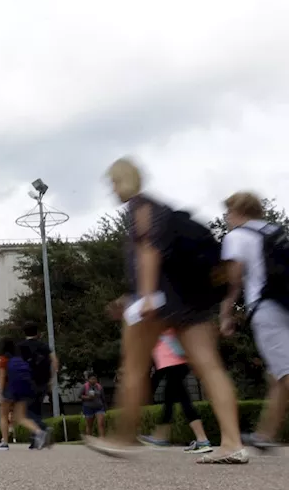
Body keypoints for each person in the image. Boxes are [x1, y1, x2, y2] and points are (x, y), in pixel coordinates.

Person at [88, 158, 246, 463]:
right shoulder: (163, 209)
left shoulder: (140, 207)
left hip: (158, 302)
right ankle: (233, 443)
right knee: (210, 368)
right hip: (189, 302)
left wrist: (144, 296)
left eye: (113, 182)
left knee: (133, 369)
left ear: (123, 181)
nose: (112, 189)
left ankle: (123, 438)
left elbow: (148, 250)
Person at [219, 192, 289, 452]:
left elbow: (234, 280)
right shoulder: (275, 230)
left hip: (267, 309)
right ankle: (264, 434)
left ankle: (264, 435)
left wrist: (226, 313)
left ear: (238, 210)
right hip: (285, 303)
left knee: (285, 374)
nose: (226, 217)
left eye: (228, 211)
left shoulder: (237, 236)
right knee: (277, 375)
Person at [138, 330, 213, 453]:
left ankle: (202, 440)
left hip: (174, 361)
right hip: (172, 361)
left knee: (182, 399)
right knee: (170, 399)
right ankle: (162, 437)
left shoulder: (163, 317)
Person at [0, 339, 48, 450]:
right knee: (21, 417)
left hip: (8, 390)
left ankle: (4, 443)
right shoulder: (19, 359)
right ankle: (38, 431)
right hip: (21, 389)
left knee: (4, 416)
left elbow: (2, 377)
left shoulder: (2, 360)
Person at [17, 321, 57, 446]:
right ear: (37, 332)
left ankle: (42, 428)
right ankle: (35, 440)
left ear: (24, 333)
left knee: (27, 412)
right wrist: (52, 379)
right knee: (37, 409)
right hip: (43, 382)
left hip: (28, 383)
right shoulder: (44, 346)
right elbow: (55, 362)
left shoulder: (20, 347)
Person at [80, 374, 107, 439]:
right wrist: (88, 397)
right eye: (92, 379)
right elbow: (79, 396)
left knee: (101, 424)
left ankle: (102, 439)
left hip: (99, 407)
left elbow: (103, 398)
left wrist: (105, 407)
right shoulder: (85, 386)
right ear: (88, 380)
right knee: (89, 425)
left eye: (95, 379)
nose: (93, 380)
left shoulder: (99, 387)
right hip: (88, 408)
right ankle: (90, 439)